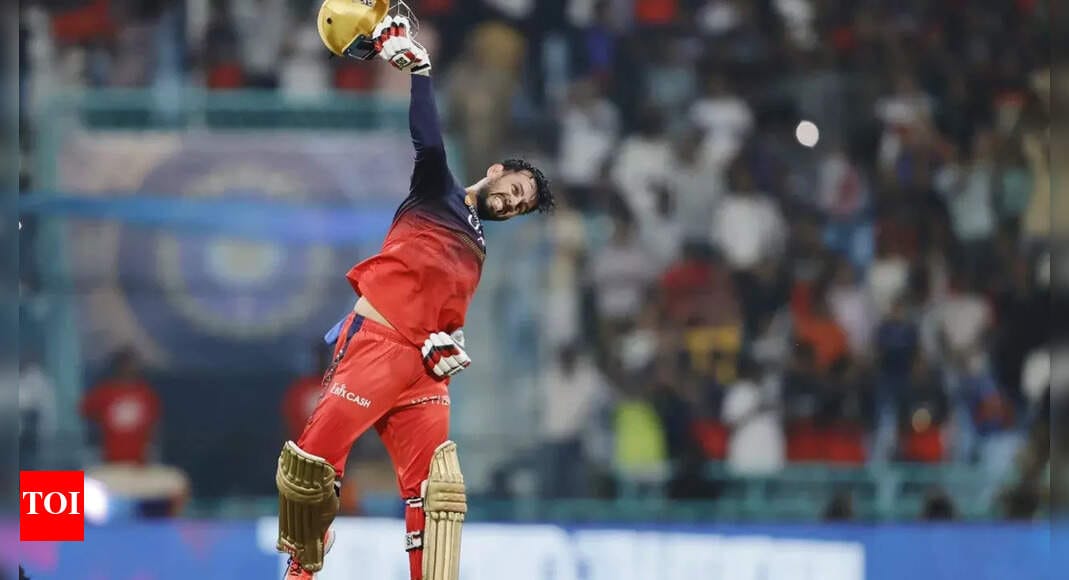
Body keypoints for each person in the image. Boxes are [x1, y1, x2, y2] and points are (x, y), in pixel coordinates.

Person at [277, 10, 554, 580]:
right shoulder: (438, 190)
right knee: (312, 468)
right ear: (496, 171)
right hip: (377, 343)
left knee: (437, 496)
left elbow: (445, 310)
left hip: (424, 371)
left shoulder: (480, 248)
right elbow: (427, 138)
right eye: (516, 189)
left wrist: (452, 341)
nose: (512, 202)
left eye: (521, 205)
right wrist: (421, 74)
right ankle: (300, 574)